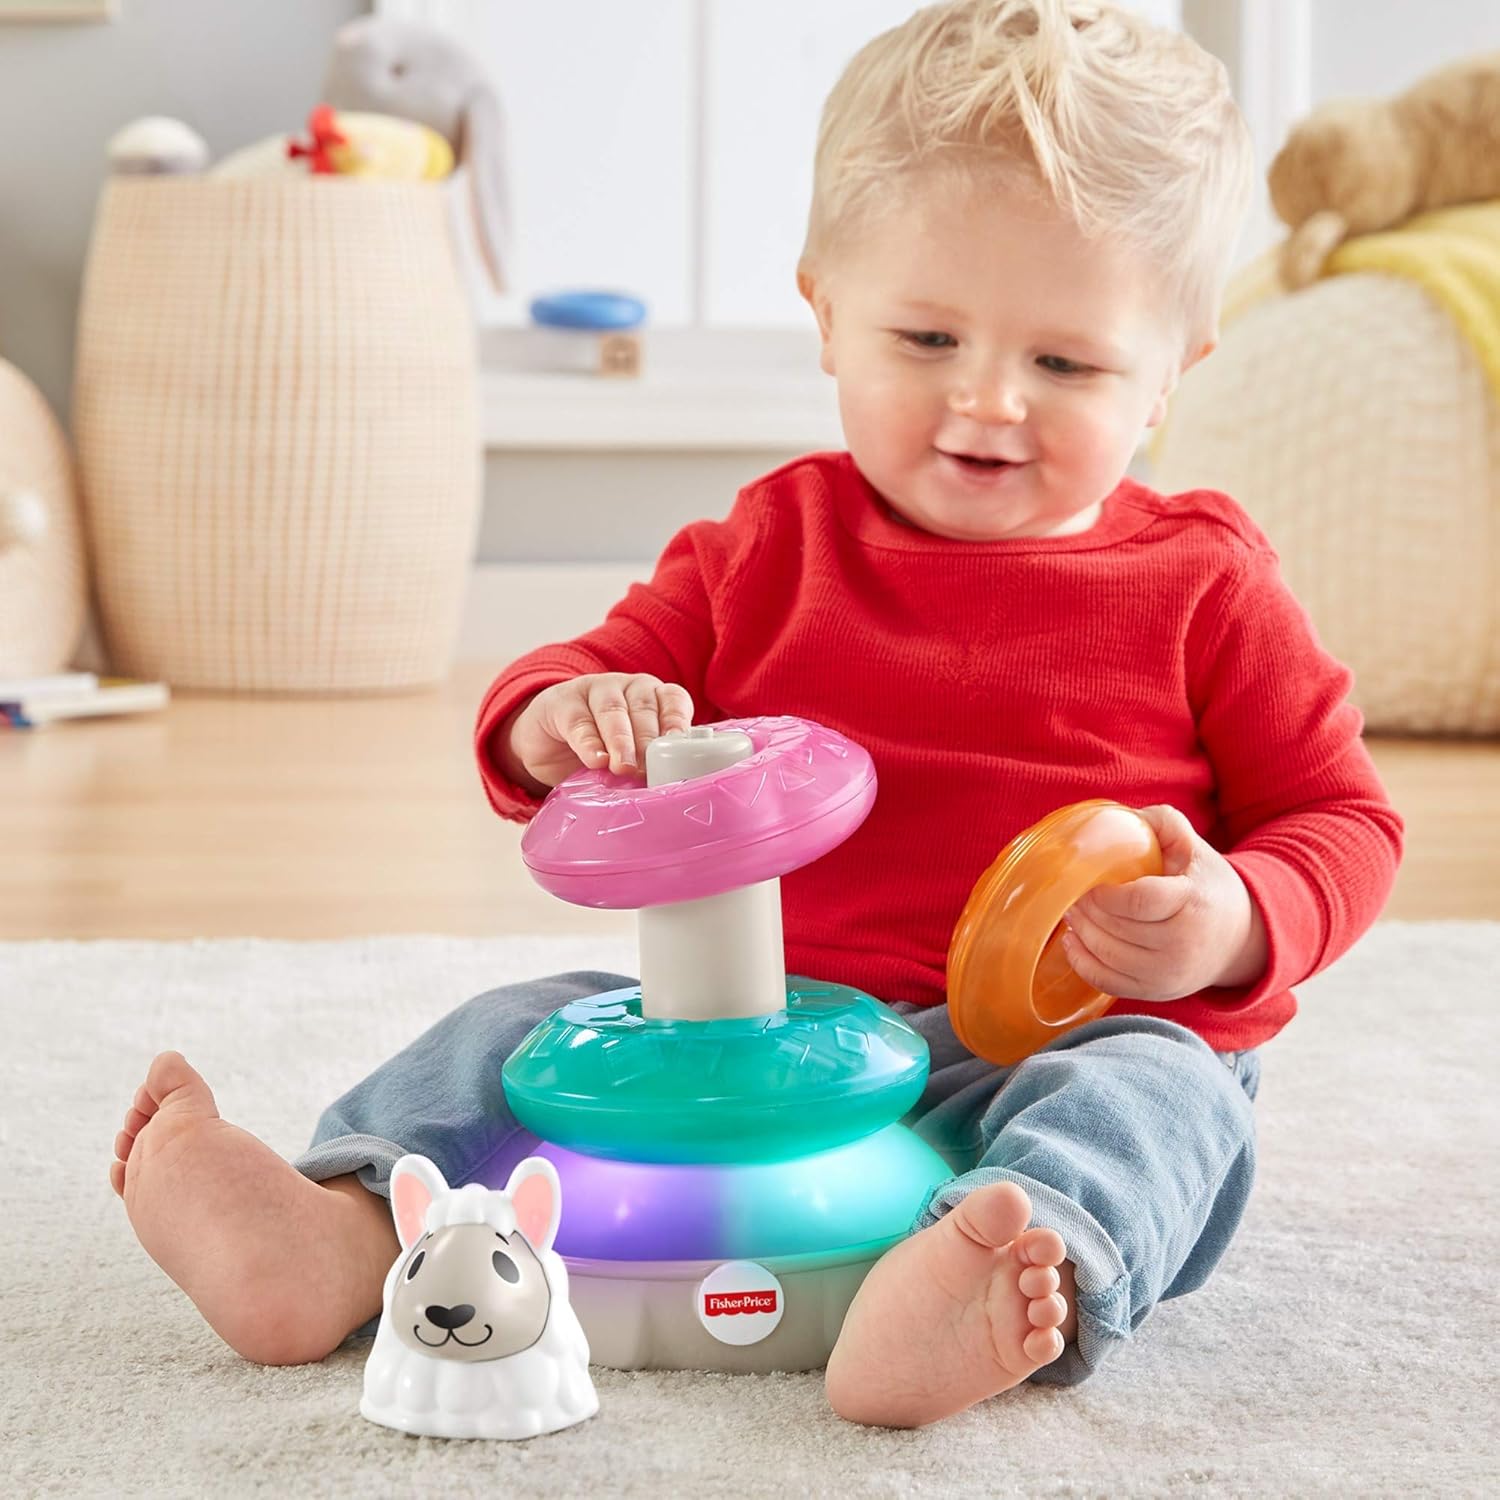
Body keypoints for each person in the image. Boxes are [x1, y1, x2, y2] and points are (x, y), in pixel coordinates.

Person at [111, 0, 1402, 1428]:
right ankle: (344, 1230)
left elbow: (1343, 819)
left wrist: (1234, 920)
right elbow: (554, 695)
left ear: (1173, 369)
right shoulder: (765, 549)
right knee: (521, 1028)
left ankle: (987, 1271)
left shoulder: (1204, 582)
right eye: (925, 336)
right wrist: (571, 716)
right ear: (826, 313)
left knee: (1162, 1096)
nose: (987, 400)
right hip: (753, 1023)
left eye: (1065, 365)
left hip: (1058, 1036)